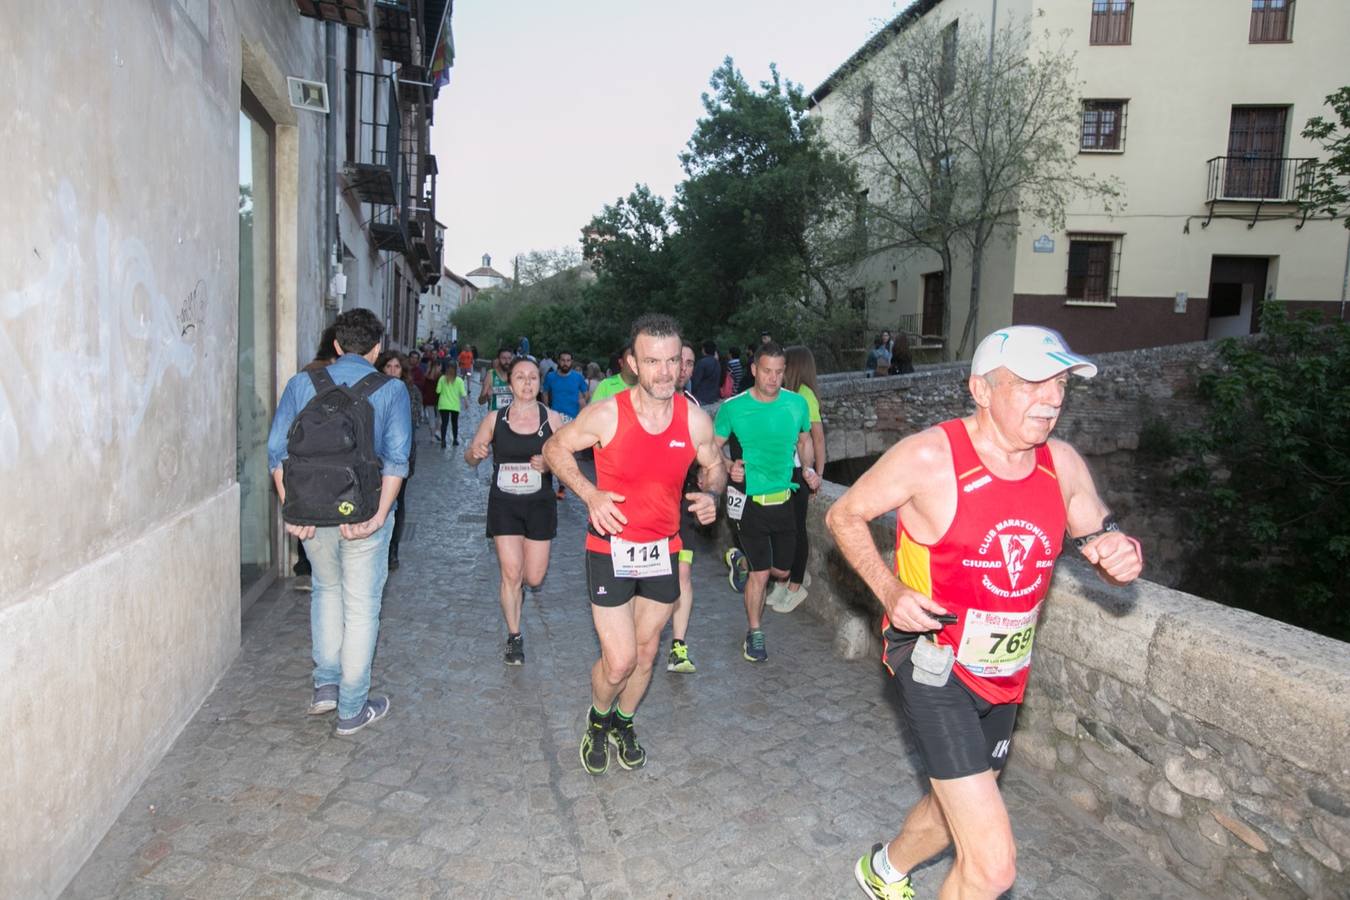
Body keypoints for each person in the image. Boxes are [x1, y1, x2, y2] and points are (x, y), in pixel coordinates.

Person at [826, 325, 1144, 900]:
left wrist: (1119, 552)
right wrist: (891, 591)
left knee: (956, 808)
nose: (1050, 398)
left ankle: (884, 869)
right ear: (981, 389)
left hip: (1005, 673)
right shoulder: (929, 456)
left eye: (1059, 384)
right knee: (993, 866)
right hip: (934, 660)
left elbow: (1099, 532)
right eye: (1028, 383)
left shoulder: (1063, 464)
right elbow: (843, 515)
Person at [542, 314, 725, 775]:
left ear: (683, 364)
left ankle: (623, 721)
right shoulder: (608, 414)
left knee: (646, 654)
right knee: (620, 660)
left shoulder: (694, 419)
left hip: (662, 549)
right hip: (611, 549)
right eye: (652, 361)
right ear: (632, 364)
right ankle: (598, 719)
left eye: (672, 362)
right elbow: (554, 449)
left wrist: (712, 495)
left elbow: (715, 466)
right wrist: (589, 493)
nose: (664, 372)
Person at [266, 308, 410, 735]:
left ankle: (325, 687)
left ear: (335, 344)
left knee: (326, 592)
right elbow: (397, 461)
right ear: (378, 348)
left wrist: (293, 510)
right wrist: (379, 517)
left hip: (312, 515)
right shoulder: (391, 390)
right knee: (362, 607)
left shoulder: (299, 384)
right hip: (364, 511)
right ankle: (352, 708)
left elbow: (277, 453)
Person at [713, 342, 818, 663]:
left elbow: (805, 439)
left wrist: (810, 468)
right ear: (755, 370)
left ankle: (741, 562)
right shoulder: (733, 408)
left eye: (779, 372)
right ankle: (755, 633)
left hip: (785, 498)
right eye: (767, 371)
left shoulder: (797, 404)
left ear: (785, 373)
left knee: (782, 571)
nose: (773, 378)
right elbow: (711, 446)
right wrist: (728, 464)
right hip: (750, 503)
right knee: (761, 574)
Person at [465, 357, 564, 666]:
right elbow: (470, 457)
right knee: (510, 572)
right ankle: (514, 635)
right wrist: (476, 453)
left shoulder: (552, 419)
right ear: (510, 384)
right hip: (504, 504)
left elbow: (566, 462)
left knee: (532, 578)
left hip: (539, 505)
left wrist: (549, 463)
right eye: (520, 377)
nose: (526, 382)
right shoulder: (496, 419)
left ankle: (519, 588)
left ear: (539, 383)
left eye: (532, 377)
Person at [766, 345, 826, 613]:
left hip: (799, 471)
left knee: (796, 530)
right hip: (784, 470)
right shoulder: (788, 396)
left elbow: (817, 437)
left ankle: (795, 584)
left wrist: (818, 474)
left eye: (785, 365)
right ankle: (785, 578)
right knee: (782, 528)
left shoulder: (805, 396)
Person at [290, 325, 340, 590]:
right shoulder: (319, 373)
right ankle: (310, 568)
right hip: (321, 452)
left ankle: (307, 567)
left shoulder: (308, 371)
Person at [667, 342, 702, 674]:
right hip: (643, 509)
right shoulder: (638, 404)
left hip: (683, 506)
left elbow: (708, 457)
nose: (684, 369)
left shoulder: (693, 407)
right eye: (681, 362)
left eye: (690, 364)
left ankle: (678, 646)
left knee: (683, 574)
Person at [377, 350, 421, 571]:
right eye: (388, 367)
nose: (393, 371)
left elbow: (412, 425)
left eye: (397, 367)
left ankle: (392, 551)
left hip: (401, 458)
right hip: (375, 458)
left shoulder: (411, 392)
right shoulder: (373, 390)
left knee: (396, 504)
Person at [436, 364, 468, 445]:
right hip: (455, 405)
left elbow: (438, 391)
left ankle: (443, 441)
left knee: (444, 423)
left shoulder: (442, 379)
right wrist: (466, 402)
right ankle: (455, 440)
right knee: (454, 423)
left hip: (443, 404)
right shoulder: (459, 380)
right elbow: (463, 392)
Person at [478, 346, 515, 411]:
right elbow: (480, 401)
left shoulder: (515, 375)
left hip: (512, 418)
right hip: (495, 418)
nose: (507, 361)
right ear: (498, 359)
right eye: (504, 358)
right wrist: (486, 396)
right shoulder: (491, 375)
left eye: (509, 358)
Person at [690, 340, 722, 406]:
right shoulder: (717, 363)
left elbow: (695, 381)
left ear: (704, 349)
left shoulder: (702, 363)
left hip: (701, 397)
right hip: (714, 398)